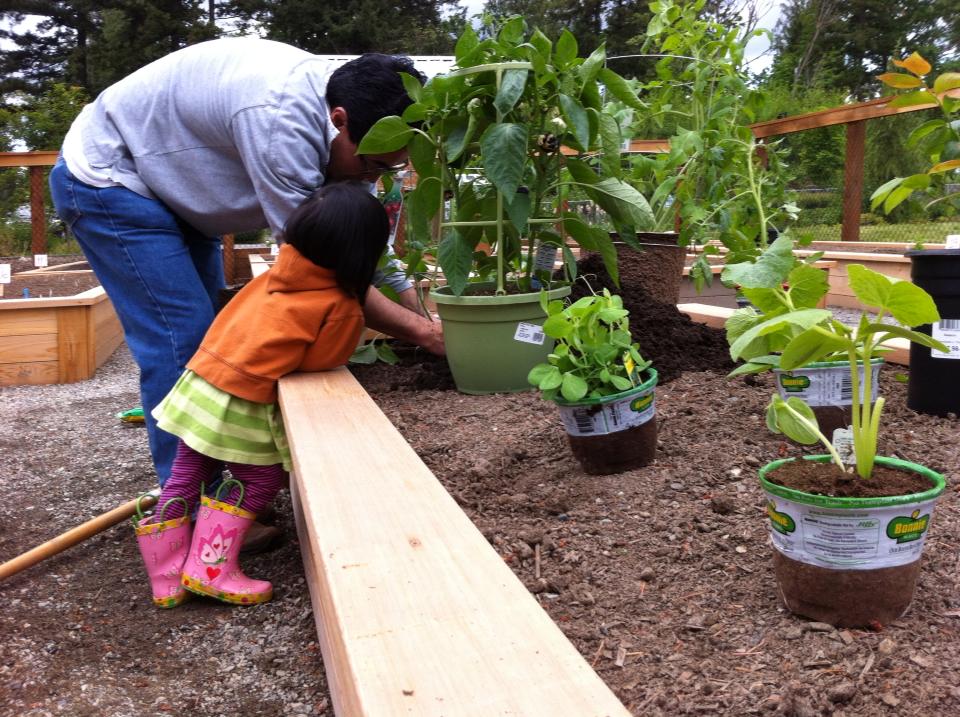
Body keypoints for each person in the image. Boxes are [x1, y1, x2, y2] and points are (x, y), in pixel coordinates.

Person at [49, 38, 443, 498]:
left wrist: (420, 310)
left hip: (177, 192)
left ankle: (212, 485)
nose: (374, 179)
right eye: (373, 165)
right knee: (183, 338)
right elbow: (328, 268)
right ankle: (191, 507)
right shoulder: (281, 128)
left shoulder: (352, 116)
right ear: (340, 122)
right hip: (113, 177)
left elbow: (367, 245)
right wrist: (423, 335)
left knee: (209, 336)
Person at [133, 182, 388, 607]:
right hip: (242, 397)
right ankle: (210, 569)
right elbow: (317, 364)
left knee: (184, 476)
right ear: (364, 250)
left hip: (201, 384)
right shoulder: (340, 304)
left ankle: (167, 577)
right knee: (259, 477)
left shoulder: (273, 275)